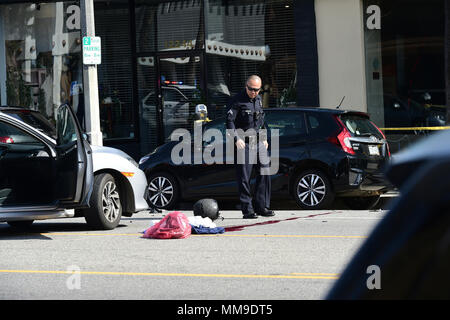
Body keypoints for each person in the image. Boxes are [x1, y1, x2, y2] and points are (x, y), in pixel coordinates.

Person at [226, 75, 275, 219]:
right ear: (246, 86)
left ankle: (262, 206)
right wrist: (236, 139)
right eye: (251, 89)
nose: (253, 92)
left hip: (258, 141)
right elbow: (229, 122)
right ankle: (247, 210)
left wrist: (265, 138)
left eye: (257, 90)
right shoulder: (236, 100)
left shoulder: (258, 100)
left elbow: (262, 120)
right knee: (244, 177)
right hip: (243, 143)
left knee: (265, 170)